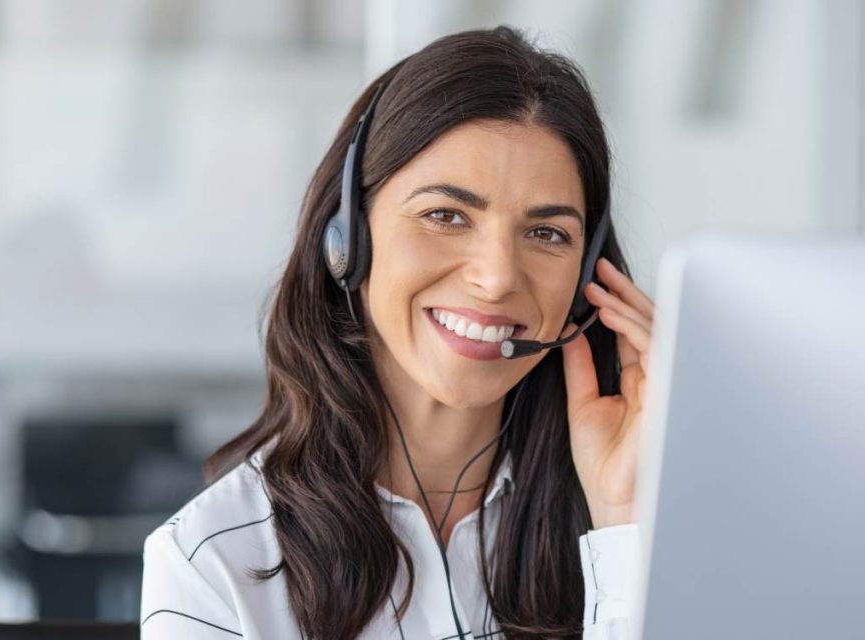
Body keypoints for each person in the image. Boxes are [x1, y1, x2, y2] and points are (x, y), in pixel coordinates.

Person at [141, 25, 654, 640]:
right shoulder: (213, 565)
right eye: (445, 215)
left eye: (546, 233)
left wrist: (624, 523)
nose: (495, 279)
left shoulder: (635, 524)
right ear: (348, 240)